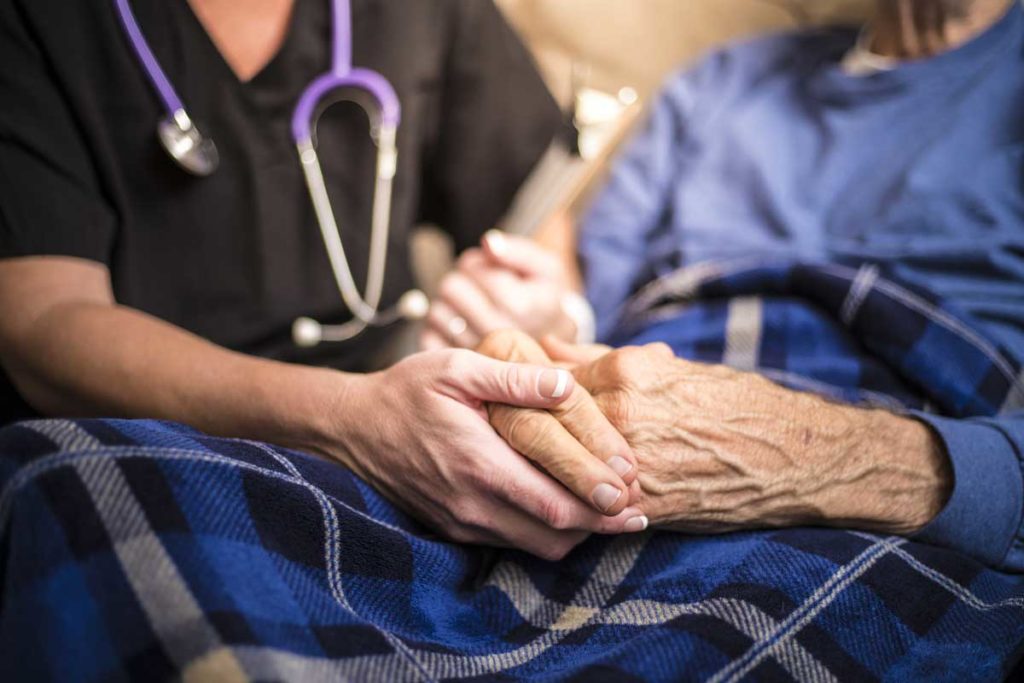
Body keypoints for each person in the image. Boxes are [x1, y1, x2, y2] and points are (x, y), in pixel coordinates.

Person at [0, 0, 650, 560]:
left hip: (407, 425)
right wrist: (351, 421)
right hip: (138, 445)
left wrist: (545, 307)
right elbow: (42, 322)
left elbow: (534, 216)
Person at [427, 0, 1024, 571]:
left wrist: (821, 457)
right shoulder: (720, 81)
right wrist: (547, 322)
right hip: (640, 424)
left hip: (909, 460)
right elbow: (592, 309)